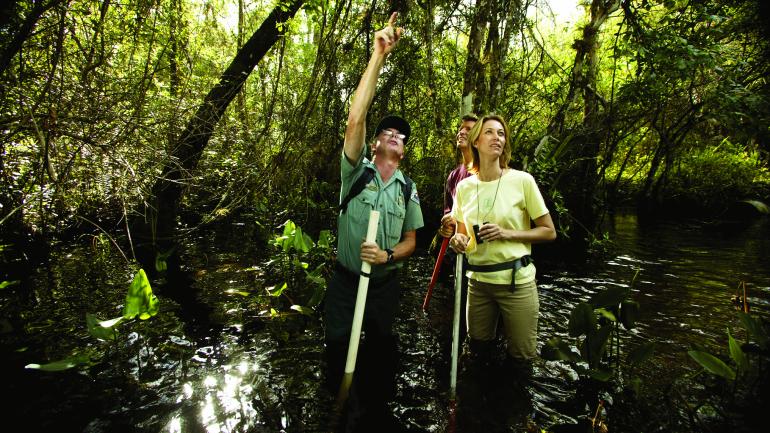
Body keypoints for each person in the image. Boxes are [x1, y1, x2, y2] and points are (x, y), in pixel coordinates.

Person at [323, 11, 424, 429]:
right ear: (377, 142)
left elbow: (411, 242)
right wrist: (378, 55)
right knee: (336, 355)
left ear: (404, 150)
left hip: (384, 286)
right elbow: (354, 117)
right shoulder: (356, 171)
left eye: (401, 135)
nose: (395, 136)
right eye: (388, 132)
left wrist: (386, 255)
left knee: (382, 359)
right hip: (346, 283)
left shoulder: (407, 188)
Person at [449, 113, 556, 370]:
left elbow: (549, 231)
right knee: (478, 351)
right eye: (489, 132)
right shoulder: (464, 187)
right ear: (475, 141)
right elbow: (461, 233)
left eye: (501, 133)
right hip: (478, 284)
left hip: (516, 282)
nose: (497, 137)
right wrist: (458, 241)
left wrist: (507, 233)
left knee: (521, 357)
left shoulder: (521, 181)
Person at [436, 114, 477, 341]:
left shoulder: (486, 171)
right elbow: (448, 210)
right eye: (460, 129)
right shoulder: (454, 176)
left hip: (480, 250)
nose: (461, 132)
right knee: (456, 302)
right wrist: (446, 223)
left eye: (468, 129)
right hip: (457, 249)